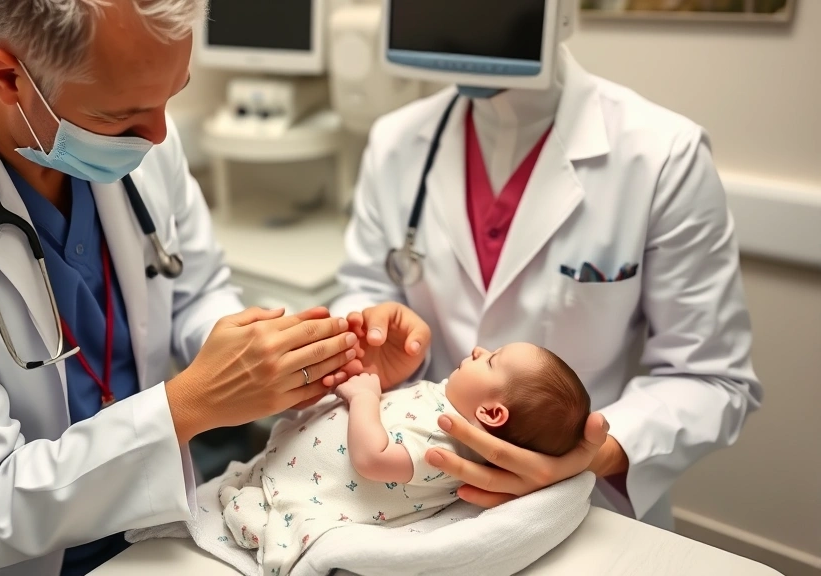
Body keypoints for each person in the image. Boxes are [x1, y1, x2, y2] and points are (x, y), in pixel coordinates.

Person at [0, 1, 361, 575]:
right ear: (8, 77)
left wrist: (294, 356)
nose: (158, 134)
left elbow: (196, 293)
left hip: (165, 535)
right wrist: (189, 404)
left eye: (172, 95)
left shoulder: (140, 126)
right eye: (120, 116)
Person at [327, 10, 763, 530]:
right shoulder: (396, 140)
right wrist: (373, 334)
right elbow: (362, 289)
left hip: (584, 509)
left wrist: (592, 454)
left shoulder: (662, 154)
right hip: (413, 490)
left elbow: (711, 377)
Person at [216, 343, 590, 576]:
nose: (478, 349)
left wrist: (364, 399)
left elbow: (373, 459)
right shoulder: (445, 398)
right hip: (283, 462)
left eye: (492, 361)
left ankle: (263, 509)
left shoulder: (446, 446)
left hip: (309, 491)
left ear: (492, 414)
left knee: (275, 517)